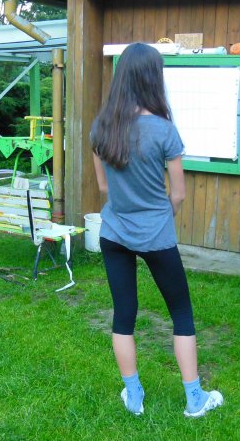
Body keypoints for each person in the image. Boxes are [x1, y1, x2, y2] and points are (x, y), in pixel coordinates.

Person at [90, 43, 223, 418]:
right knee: (181, 313)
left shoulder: (101, 127)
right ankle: (194, 399)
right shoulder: (164, 130)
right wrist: (163, 214)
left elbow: (103, 187)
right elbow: (178, 193)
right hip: (156, 235)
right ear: (153, 78)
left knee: (123, 315)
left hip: (113, 232)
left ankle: (134, 396)